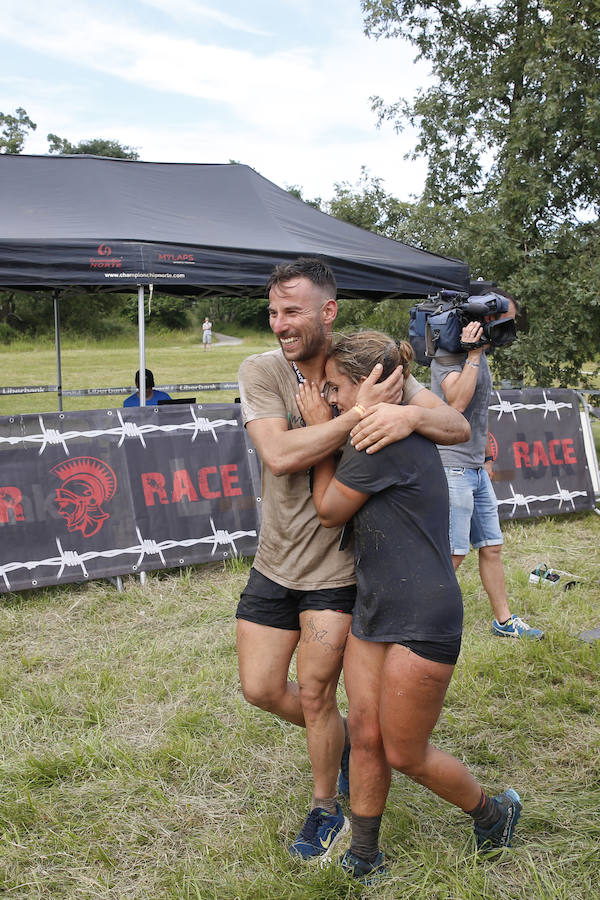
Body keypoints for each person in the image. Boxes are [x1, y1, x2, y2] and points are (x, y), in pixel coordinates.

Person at [236, 257, 471, 863]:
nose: (280, 324)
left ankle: (324, 809)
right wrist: (354, 418)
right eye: (273, 312)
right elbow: (281, 454)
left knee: (316, 695)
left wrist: (410, 412)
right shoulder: (263, 370)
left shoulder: (364, 364)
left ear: (328, 311)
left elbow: (453, 423)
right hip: (276, 558)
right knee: (261, 689)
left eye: (292, 311)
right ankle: (339, 745)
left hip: (339, 574)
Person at [298, 330, 522, 883]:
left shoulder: (379, 440)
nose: (327, 398)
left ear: (373, 385)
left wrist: (314, 432)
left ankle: (494, 813)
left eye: (335, 388)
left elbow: (328, 510)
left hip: (423, 615)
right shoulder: (375, 429)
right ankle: (365, 855)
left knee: (404, 751)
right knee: (367, 736)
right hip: (376, 607)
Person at [429, 294, 543, 639]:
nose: (507, 331)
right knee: (454, 554)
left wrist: (487, 457)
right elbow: (458, 403)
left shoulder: (478, 356)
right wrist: (474, 354)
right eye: (503, 322)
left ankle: (504, 622)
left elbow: (480, 412)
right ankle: (424, 623)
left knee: (491, 546)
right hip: (452, 467)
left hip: (475, 468)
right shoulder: (447, 356)